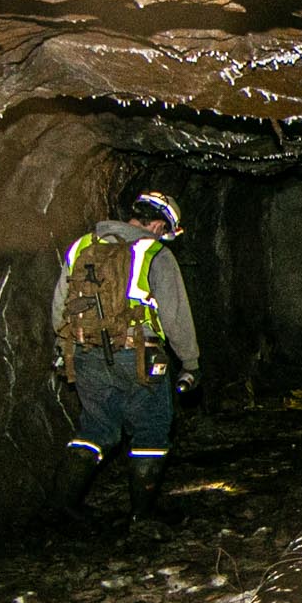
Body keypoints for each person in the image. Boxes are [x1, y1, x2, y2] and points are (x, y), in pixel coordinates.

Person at [50, 189, 200, 527]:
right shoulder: (155, 253)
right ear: (160, 225)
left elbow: (60, 305)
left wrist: (65, 351)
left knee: (97, 427)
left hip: (86, 353)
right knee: (151, 428)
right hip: (138, 356)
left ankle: (63, 505)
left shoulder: (82, 246)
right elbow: (176, 316)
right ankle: (142, 513)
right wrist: (190, 363)